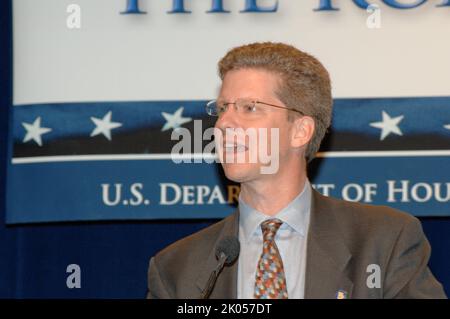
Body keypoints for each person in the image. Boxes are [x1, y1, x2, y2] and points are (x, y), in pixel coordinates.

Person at [147, 42, 446, 299]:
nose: (224, 124)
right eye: (223, 108)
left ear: (300, 131)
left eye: (249, 108)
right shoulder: (176, 268)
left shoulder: (384, 240)